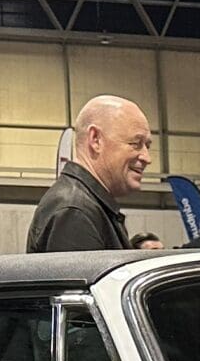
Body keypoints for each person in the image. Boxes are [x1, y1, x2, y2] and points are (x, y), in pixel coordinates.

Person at [30, 97, 152, 253]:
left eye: (147, 146)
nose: (147, 158)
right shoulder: (75, 212)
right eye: (136, 144)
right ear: (96, 140)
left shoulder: (85, 208)